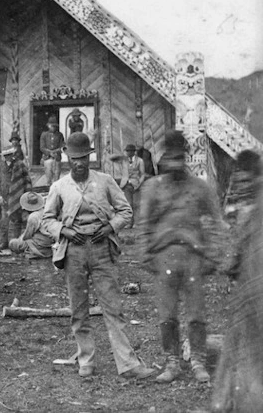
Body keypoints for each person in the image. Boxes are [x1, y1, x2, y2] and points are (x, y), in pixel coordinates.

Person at [41, 132, 155, 379]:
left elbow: (125, 211)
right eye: (74, 158)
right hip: (74, 252)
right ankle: (86, 360)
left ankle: (128, 364)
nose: (78, 163)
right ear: (66, 158)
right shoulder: (59, 187)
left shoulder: (104, 181)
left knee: (113, 307)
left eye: (83, 158)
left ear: (89, 157)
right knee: (78, 309)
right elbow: (46, 219)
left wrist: (110, 227)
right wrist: (65, 231)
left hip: (102, 249)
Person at [139, 130, 224, 384]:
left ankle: (198, 361)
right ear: (164, 159)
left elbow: (216, 223)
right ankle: (172, 362)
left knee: (196, 313)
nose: (175, 164)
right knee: (167, 315)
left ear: (185, 158)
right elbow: (144, 224)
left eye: (179, 158)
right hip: (164, 256)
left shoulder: (200, 188)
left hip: (193, 257)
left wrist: (213, 256)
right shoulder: (152, 187)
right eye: (170, 158)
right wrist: (146, 255)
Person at [212, 150, 263, 411]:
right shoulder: (240, 211)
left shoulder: (250, 213)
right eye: (239, 181)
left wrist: (224, 267)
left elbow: (232, 255)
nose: (242, 186)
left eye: (247, 181)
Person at [0, 147, 32, 250]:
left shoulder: (20, 164)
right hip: (4, 198)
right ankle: (4, 243)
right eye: (5, 155)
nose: (7, 157)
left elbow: (27, 181)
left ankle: (14, 244)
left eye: (9, 155)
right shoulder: (0, 166)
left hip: (17, 197)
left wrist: (26, 196)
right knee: (4, 221)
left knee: (15, 221)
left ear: (13, 154)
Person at [8, 191, 54, 260]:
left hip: (40, 244)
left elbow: (27, 235)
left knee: (13, 243)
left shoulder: (33, 217)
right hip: (49, 242)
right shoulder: (45, 211)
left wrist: (19, 239)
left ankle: (31, 252)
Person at [119, 144, 146, 227]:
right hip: (126, 185)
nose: (127, 153)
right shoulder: (124, 160)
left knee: (136, 205)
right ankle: (129, 223)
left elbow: (143, 174)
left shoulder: (140, 161)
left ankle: (137, 223)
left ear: (134, 152)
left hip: (136, 185)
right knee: (128, 205)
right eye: (126, 151)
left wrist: (139, 184)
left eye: (129, 151)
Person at [39, 116, 65, 185]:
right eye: (51, 126)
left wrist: (56, 152)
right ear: (48, 126)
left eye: (54, 126)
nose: (52, 127)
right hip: (47, 158)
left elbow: (62, 146)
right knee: (48, 179)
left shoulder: (60, 135)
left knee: (57, 179)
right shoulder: (44, 135)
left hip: (57, 159)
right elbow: (42, 147)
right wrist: (50, 153)